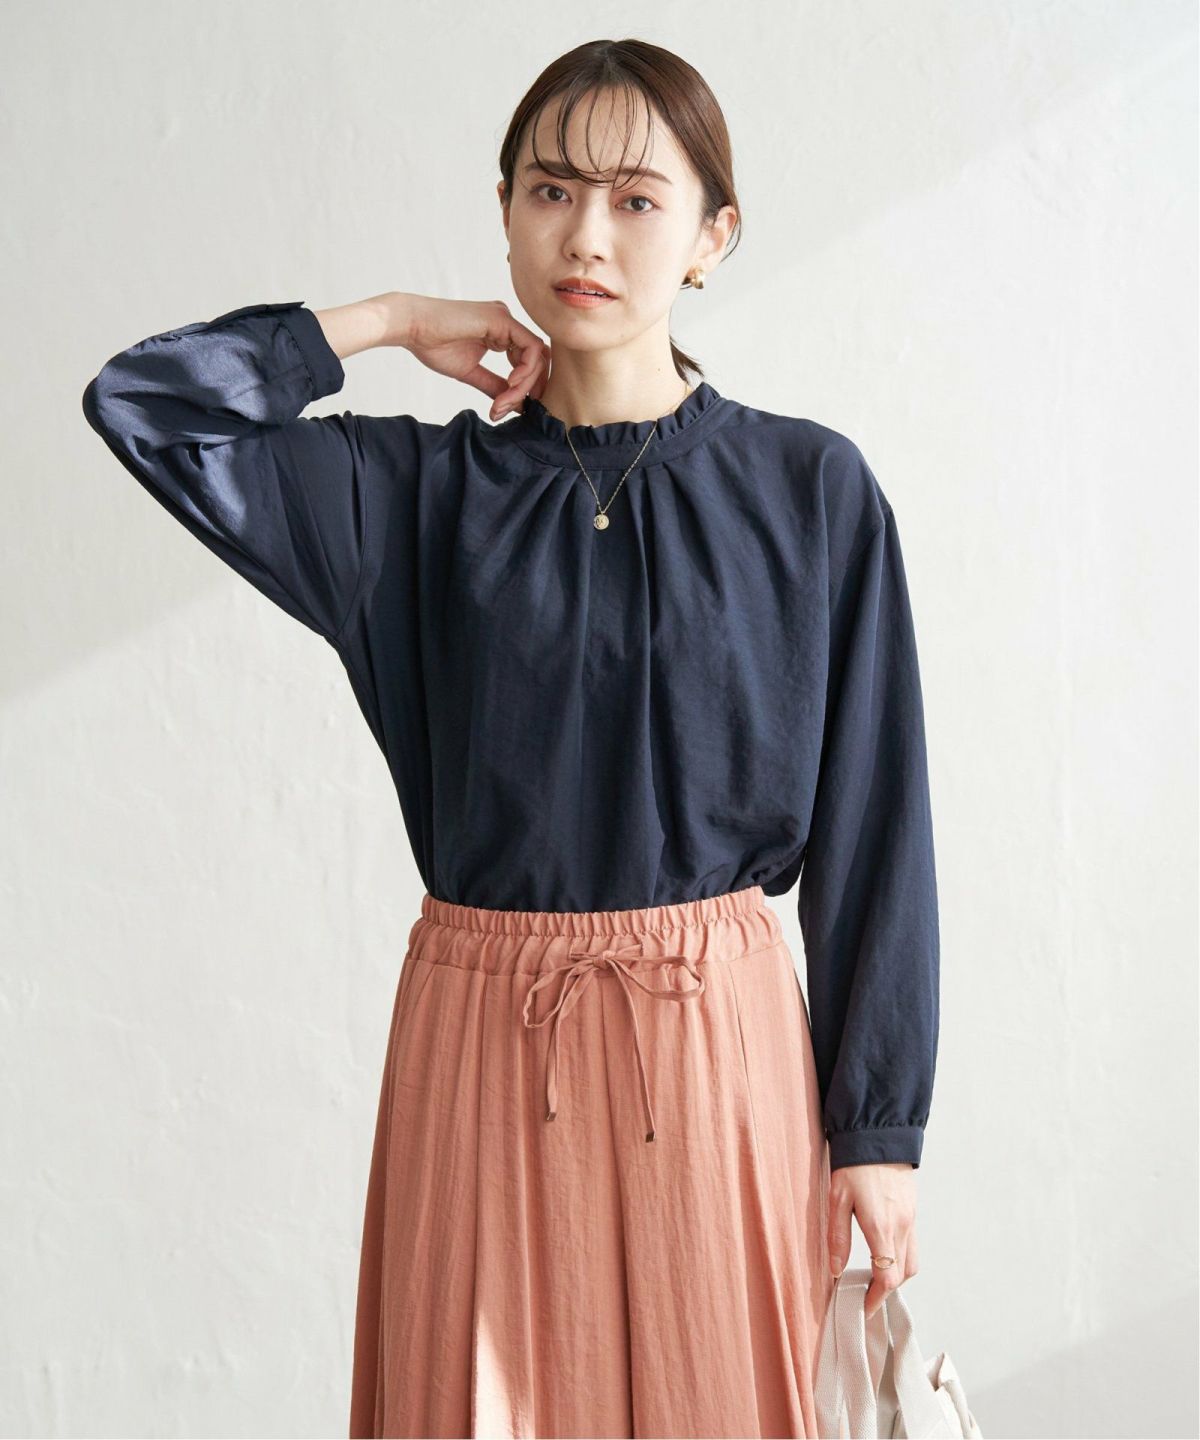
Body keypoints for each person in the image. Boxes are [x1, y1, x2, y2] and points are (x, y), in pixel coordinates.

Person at [81, 37, 939, 1440]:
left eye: (636, 200)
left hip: (718, 1052)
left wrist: (880, 1132)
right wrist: (386, 321)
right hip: (481, 1040)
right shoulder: (412, 498)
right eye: (550, 191)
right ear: (505, 210)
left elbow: (876, 820)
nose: (586, 236)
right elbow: (148, 407)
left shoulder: (810, 490)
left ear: (714, 237)